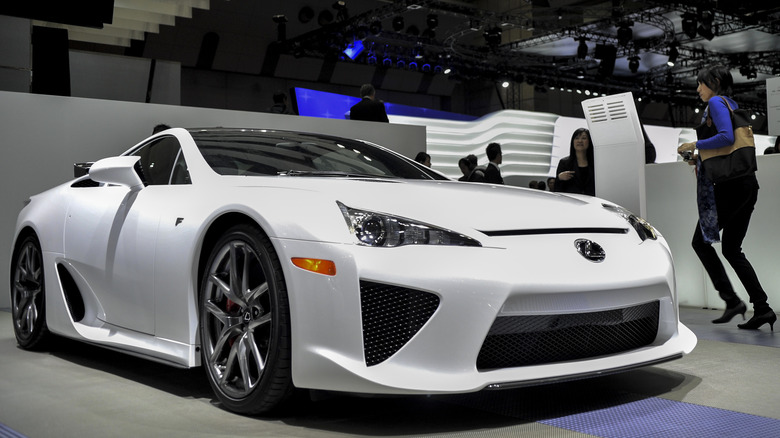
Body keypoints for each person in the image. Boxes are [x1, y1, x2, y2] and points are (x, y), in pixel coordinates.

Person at [677, 64, 775, 330]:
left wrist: (695, 144)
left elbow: (725, 136)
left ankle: (732, 300)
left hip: (730, 186)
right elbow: (728, 146)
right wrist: (699, 158)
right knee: (732, 249)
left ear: (715, 82)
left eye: (701, 83)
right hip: (745, 184)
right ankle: (763, 308)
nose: (698, 89)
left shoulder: (717, 103)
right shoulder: (730, 103)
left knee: (700, 242)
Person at [554, 128, 595, 196]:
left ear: (589, 141)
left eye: (584, 138)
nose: (580, 141)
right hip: (571, 202)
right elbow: (557, 190)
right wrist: (559, 178)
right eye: (576, 138)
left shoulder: (595, 163)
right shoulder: (564, 163)